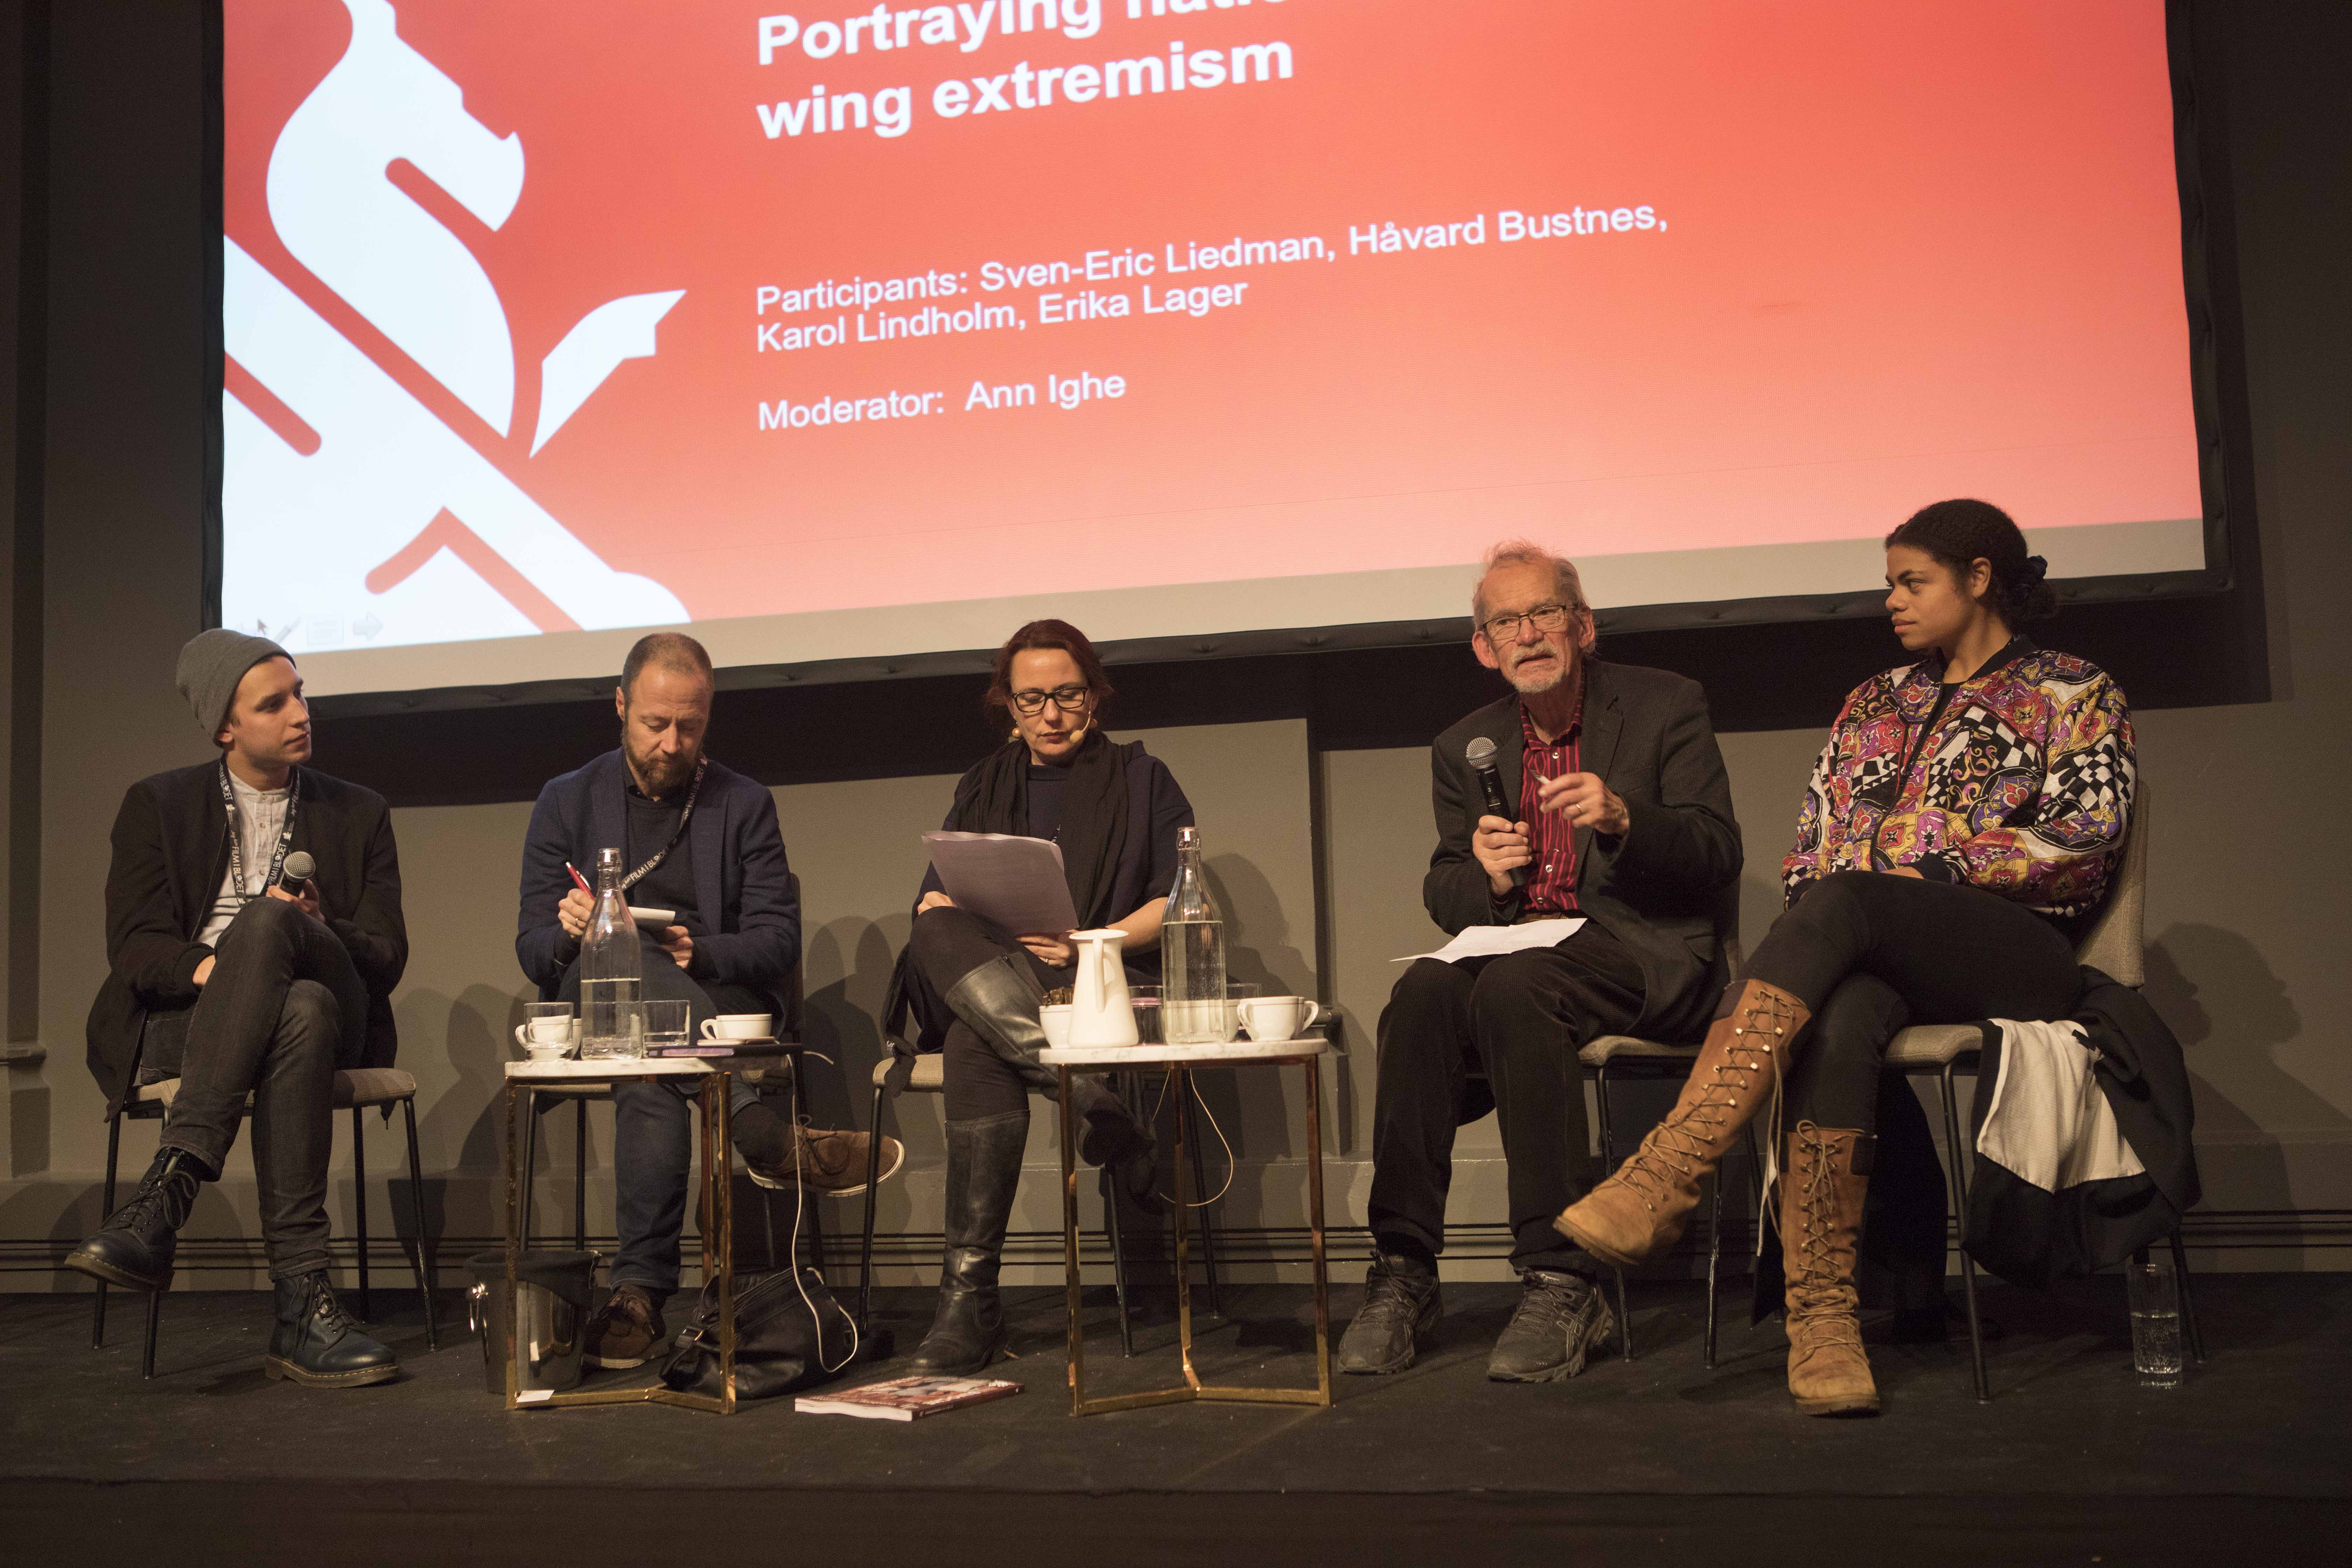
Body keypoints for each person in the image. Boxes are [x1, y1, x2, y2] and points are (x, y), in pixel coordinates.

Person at [1555, 498, 2136, 1416]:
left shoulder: (2074, 690)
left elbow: (2085, 837)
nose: (1892, 601)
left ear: (1979, 578)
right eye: (1888, 583)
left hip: (2018, 947)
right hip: (1874, 947)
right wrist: (1850, 904)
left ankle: (1672, 1166)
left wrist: (1927, 871)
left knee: (1855, 898)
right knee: (1845, 1006)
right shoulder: (1873, 701)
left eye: (1913, 581)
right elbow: (1808, 855)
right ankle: (1824, 1315)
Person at [1339, 542, 1743, 1382]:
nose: (1527, 634)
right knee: (1421, 990)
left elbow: (1717, 851)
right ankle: (1404, 1266)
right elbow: (1445, 882)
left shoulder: (1666, 704)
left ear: (1582, 626)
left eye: (1544, 612)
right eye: (1505, 622)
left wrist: (1627, 818)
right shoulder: (1466, 743)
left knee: (1519, 984)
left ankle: (1563, 1276)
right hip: (1522, 948)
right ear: (1483, 646)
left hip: (1640, 950)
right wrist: (1485, 877)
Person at [516, 631, 901, 1370]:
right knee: (623, 960)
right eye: (655, 724)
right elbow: (532, 950)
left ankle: (638, 1297)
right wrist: (572, 929)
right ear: (620, 706)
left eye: (689, 727)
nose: (672, 743)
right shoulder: (566, 799)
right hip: (596, 995)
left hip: (699, 1003)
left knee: (654, 1069)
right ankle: (764, 1134)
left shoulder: (743, 801)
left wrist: (701, 950)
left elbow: (777, 939)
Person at [70, 630, 407, 1387]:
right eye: (274, 703)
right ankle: (301, 1305)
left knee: (277, 931)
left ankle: (169, 1190)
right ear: (225, 726)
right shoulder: (158, 805)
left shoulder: (359, 810)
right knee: (298, 1009)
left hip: (339, 992)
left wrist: (321, 926)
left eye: (300, 693)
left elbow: (389, 954)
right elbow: (136, 946)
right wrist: (221, 971)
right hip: (201, 1017)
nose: (301, 713)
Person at [898, 620, 1194, 1374]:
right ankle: (1091, 1098)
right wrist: (956, 911)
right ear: (1008, 703)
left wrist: (1091, 942)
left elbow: (1177, 902)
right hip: (997, 973)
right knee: (932, 928)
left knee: (973, 1039)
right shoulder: (983, 782)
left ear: (1095, 694)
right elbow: (936, 901)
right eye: (1031, 699)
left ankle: (968, 1302)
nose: (1051, 714)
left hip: (1096, 980)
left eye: (1068, 695)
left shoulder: (1142, 777)